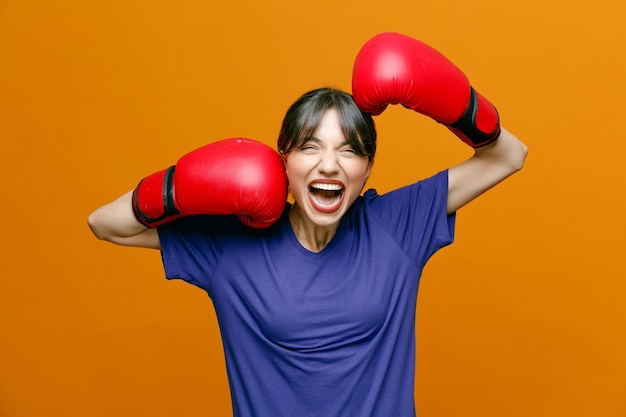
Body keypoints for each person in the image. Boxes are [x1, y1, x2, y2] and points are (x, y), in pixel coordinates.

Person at [88, 32, 527, 417]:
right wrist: (176, 186)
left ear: (368, 169)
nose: (330, 165)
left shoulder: (395, 225)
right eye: (311, 147)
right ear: (284, 161)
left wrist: (452, 99)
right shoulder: (232, 246)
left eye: (349, 151)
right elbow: (106, 223)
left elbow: (509, 156)